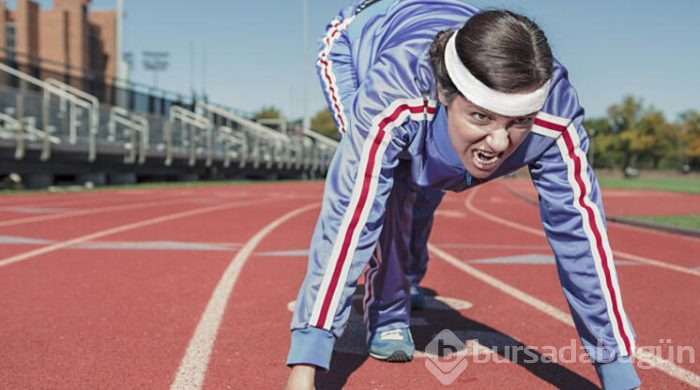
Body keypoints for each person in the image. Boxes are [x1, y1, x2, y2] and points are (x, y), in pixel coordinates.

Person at [286, 0, 641, 389]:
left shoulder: (555, 113)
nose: (500, 142)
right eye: (481, 116)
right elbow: (351, 215)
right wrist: (308, 357)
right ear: (444, 92)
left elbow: (581, 236)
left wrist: (616, 368)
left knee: (429, 185)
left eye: (518, 121)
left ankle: (409, 274)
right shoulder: (393, 94)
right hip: (358, 46)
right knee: (390, 187)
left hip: (448, 31)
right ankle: (388, 310)